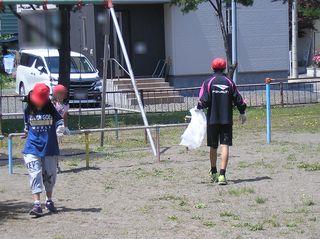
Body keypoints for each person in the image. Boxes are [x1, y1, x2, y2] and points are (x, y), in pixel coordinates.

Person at [197, 58, 247, 185]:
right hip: (226, 120)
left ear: (212, 67)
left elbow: (203, 101)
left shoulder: (208, 82)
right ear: (224, 68)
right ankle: (222, 175)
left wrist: (198, 109)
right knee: (225, 145)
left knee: (213, 146)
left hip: (212, 120)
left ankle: (213, 172)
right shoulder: (229, 82)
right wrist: (242, 112)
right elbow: (239, 99)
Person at [23, 83, 65, 217]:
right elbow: (27, 126)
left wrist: (60, 130)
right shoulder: (28, 108)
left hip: (49, 148)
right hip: (32, 147)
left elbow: (60, 122)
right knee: (34, 174)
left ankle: (49, 200)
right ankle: (36, 205)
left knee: (49, 176)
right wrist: (25, 132)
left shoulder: (51, 108)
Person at [52, 84, 70, 172]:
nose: (61, 96)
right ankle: (54, 165)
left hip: (60, 125)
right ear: (55, 94)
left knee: (56, 148)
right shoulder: (52, 104)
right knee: (52, 148)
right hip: (52, 125)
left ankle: (56, 165)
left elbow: (65, 116)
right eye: (59, 94)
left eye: (63, 94)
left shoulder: (65, 105)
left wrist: (66, 127)